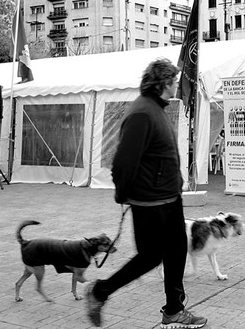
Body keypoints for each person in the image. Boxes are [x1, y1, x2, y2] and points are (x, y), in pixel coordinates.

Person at [85, 59, 207, 328]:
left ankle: (174, 309)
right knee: (151, 257)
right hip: (151, 204)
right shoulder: (142, 113)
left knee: (176, 253)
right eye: (174, 81)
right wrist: (124, 195)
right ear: (163, 83)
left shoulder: (156, 109)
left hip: (168, 199)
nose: (177, 85)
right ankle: (99, 292)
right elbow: (123, 163)